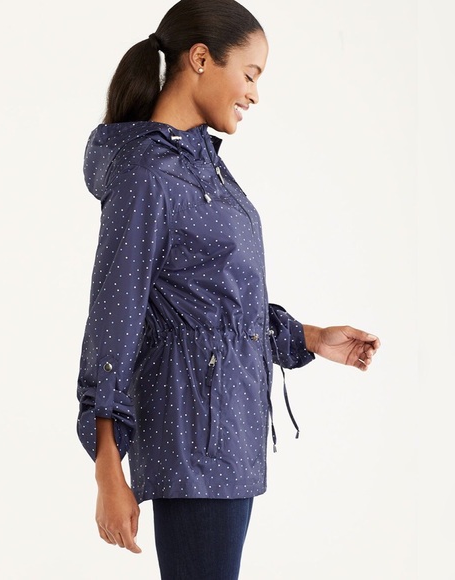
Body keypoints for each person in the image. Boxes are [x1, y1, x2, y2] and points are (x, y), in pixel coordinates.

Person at [76, 1, 381, 578]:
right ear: (200, 59)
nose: (255, 94)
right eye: (250, 73)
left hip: (228, 439)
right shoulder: (148, 175)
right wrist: (107, 467)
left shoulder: (204, 167)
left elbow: (218, 303)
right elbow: (113, 320)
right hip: (192, 443)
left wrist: (312, 338)